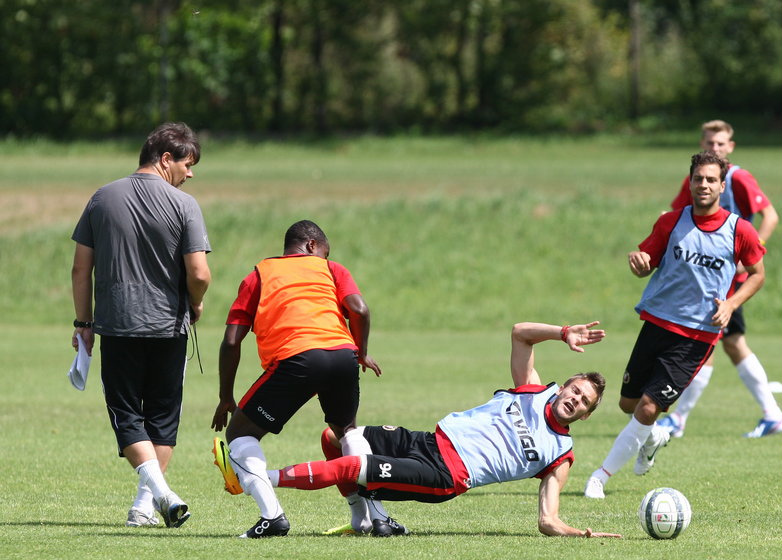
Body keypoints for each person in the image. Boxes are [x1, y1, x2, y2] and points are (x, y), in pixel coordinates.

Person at [214, 320, 622, 538]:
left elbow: (547, 519)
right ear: (564, 385)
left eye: (584, 402)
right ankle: (364, 519)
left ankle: (254, 480)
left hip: (446, 475)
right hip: (428, 441)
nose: (575, 399)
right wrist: (563, 332)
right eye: (575, 390)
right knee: (334, 439)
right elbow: (520, 332)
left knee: (350, 467)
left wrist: (581, 534)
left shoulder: (559, 455)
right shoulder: (532, 388)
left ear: (585, 416)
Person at [583, 151, 766, 500]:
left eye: (712, 180)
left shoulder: (738, 229)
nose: (704, 185)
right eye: (699, 179)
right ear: (690, 182)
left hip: (697, 335)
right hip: (656, 323)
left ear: (721, 186)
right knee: (628, 405)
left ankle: (599, 477)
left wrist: (731, 303)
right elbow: (645, 263)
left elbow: (757, 274)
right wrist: (638, 264)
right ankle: (653, 439)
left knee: (649, 408)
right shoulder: (670, 222)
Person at [70, 122, 211, 528]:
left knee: (128, 415)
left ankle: (154, 501)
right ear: (166, 158)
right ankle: (147, 505)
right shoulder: (186, 206)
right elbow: (199, 274)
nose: (191, 173)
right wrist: (195, 303)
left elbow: (81, 269)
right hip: (169, 328)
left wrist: (83, 322)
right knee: (163, 418)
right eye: (188, 163)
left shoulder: (102, 198)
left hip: (117, 326)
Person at [211, 219, 387, 538]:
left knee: (239, 431)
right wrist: (361, 352)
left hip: (298, 358)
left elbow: (232, 341)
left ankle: (272, 517)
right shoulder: (332, 269)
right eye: (324, 251)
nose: (324, 257)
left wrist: (226, 396)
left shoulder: (258, 276)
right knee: (346, 430)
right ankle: (379, 517)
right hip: (343, 355)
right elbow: (359, 310)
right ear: (310, 246)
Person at [657, 120, 782, 439]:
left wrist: (752, 256)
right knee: (728, 343)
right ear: (702, 144)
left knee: (711, 343)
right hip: (705, 276)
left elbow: (770, 215)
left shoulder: (738, 178)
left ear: (730, 147)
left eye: (720, 144)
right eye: (709, 143)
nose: (714, 148)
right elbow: (675, 217)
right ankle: (772, 415)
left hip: (727, 279)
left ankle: (679, 420)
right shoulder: (698, 179)